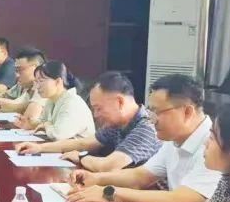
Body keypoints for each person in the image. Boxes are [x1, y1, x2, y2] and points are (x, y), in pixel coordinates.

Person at [66, 74, 220, 202]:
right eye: (151, 112)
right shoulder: (174, 139)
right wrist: (96, 179)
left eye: (157, 112)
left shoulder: (215, 145)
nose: (152, 119)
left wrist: (110, 193)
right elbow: (140, 176)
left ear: (187, 112)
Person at [16, 71, 159, 172]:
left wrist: (81, 157)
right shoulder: (117, 124)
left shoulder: (146, 127)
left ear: (120, 102)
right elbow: (83, 143)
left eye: (99, 108)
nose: (95, 115)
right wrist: (40, 148)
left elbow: (109, 166)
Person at [0, 46, 47, 129]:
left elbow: (28, 119)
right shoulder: (30, 87)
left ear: (35, 69)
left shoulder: (45, 86)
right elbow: (18, 105)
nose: (16, 75)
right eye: (16, 70)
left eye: (20, 70)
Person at [26, 61, 95, 141]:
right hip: (61, 146)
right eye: (36, 82)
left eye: (41, 81)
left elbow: (59, 135)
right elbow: (43, 122)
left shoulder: (72, 102)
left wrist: (46, 125)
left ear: (58, 81)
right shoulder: (51, 100)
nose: (37, 86)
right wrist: (31, 123)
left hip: (77, 148)